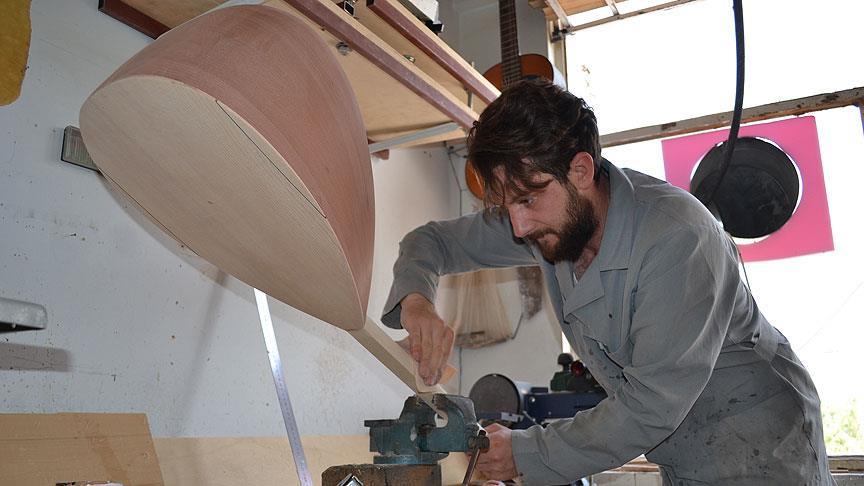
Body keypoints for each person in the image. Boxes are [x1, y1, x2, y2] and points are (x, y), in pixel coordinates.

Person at [381, 79, 834, 485]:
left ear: (580, 171)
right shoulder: (543, 217)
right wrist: (417, 304)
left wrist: (525, 452)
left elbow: (650, 405)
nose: (518, 226)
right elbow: (430, 242)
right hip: (682, 450)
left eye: (528, 199)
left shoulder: (678, 237)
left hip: (761, 444)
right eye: (506, 205)